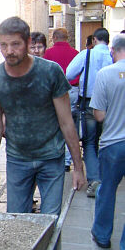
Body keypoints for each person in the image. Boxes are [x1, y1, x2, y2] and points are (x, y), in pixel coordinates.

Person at [0, 17, 85, 250]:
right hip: (17, 157)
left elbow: (66, 121)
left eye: (15, 44)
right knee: (17, 223)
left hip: (51, 157)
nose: (9, 50)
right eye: (3, 45)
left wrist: (78, 168)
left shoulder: (50, 72)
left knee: (49, 225)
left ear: (28, 43)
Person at [89, 33, 125, 250]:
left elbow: (99, 114)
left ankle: (102, 235)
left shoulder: (106, 74)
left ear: (113, 50)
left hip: (113, 143)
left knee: (107, 190)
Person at [67, 28, 113, 197]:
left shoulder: (87, 55)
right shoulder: (113, 56)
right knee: (106, 140)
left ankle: (95, 179)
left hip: (88, 103)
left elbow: (70, 73)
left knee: (89, 142)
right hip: (109, 104)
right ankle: (107, 178)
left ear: (94, 40)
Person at [44, 28, 80, 172]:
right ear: (67, 38)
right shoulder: (76, 54)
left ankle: (58, 154)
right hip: (72, 90)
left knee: (56, 123)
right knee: (69, 123)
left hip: (53, 93)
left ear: (53, 38)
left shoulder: (48, 53)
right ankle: (67, 160)